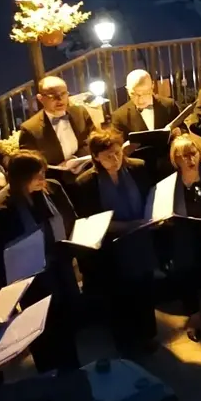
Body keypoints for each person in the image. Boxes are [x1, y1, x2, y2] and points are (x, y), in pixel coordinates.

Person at [0, 150, 81, 372]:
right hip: (34, 279)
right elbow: (0, 252)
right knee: (44, 332)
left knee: (67, 327)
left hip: (61, 268)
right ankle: (50, 377)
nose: (42, 180)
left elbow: (70, 218)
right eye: (36, 175)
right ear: (20, 178)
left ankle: (74, 373)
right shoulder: (1, 208)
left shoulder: (52, 189)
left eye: (43, 173)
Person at [73, 129, 158, 356]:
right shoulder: (86, 183)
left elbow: (152, 197)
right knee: (119, 296)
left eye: (118, 152)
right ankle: (125, 342)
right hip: (112, 249)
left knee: (144, 290)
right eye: (108, 155)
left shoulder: (138, 167)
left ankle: (147, 336)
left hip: (141, 242)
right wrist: (127, 226)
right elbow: (90, 220)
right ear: (96, 157)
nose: (115, 158)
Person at [146, 134, 201, 342]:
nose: (189, 159)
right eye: (182, 156)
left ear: (199, 154)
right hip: (182, 235)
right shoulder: (168, 184)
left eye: (192, 153)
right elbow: (158, 213)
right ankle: (193, 317)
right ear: (175, 160)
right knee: (187, 276)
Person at [17, 76, 95, 177]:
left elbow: (92, 138)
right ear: (40, 99)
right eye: (52, 96)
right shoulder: (30, 128)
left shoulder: (80, 112)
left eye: (63, 94)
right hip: (57, 181)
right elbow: (30, 164)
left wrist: (76, 159)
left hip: (87, 171)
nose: (59, 99)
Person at [110, 69, 182, 138]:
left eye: (145, 93)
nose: (140, 100)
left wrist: (179, 133)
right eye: (134, 94)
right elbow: (117, 146)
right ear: (127, 90)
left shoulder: (169, 105)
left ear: (152, 86)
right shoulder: (119, 117)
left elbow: (183, 130)